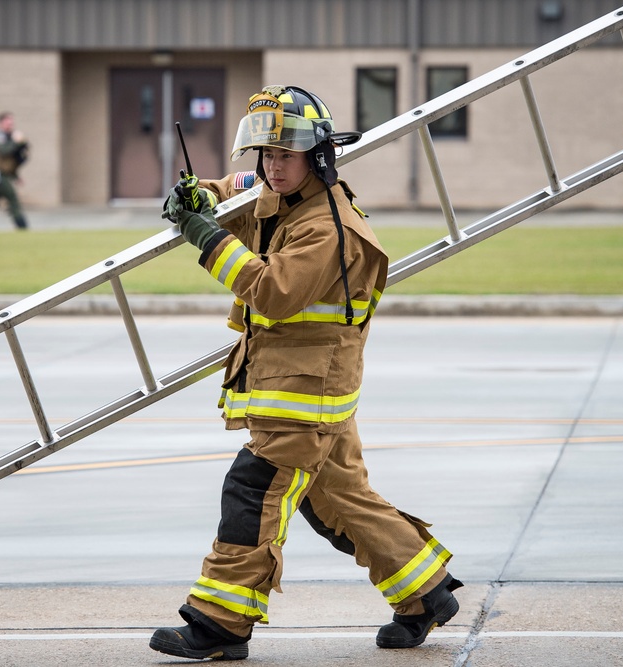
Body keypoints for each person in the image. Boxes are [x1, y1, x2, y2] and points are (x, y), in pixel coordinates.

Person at [152, 85, 461, 661]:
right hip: (304, 387)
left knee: (253, 491)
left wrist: (205, 236)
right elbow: (239, 192)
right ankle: (427, 593)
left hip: (305, 396)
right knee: (341, 501)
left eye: (284, 155)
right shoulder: (280, 191)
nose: (271, 166)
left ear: (316, 156)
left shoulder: (331, 229)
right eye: (265, 154)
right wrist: (203, 194)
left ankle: (220, 625)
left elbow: (272, 292)